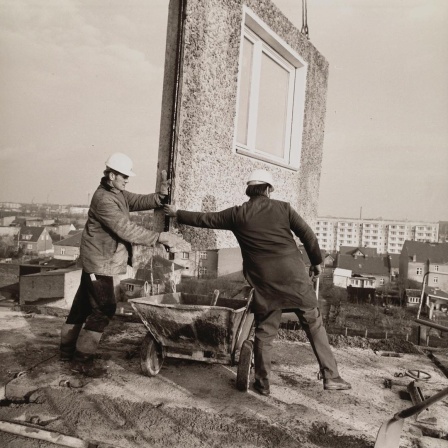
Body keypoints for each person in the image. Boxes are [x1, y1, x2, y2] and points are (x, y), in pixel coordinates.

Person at [164, 169, 351, 394]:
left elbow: (205, 219)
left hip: (265, 283)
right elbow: (308, 236)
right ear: (269, 189)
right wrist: (317, 262)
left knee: (265, 332)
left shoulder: (237, 214)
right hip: (295, 278)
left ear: (249, 190)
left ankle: (262, 384)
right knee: (314, 324)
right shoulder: (284, 208)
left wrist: (177, 213)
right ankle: (331, 376)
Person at [60, 152, 184, 376]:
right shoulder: (104, 199)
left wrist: (159, 196)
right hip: (99, 262)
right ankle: (81, 362)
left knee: (82, 307)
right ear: (112, 175)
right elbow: (125, 229)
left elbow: (136, 200)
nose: (127, 180)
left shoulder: (115, 192)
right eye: (124, 176)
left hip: (97, 259)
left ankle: (66, 352)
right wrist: (159, 237)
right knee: (105, 308)